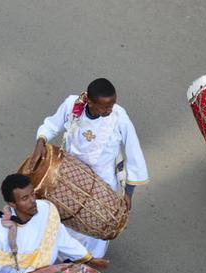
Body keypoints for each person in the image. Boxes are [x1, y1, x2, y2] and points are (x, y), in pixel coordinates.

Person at [28, 78, 149, 258]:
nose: (110, 110)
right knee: (65, 218)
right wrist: (41, 142)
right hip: (68, 175)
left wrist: (129, 192)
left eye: (112, 104)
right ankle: (64, 259)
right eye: (105, 107)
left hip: (103, 182)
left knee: (96, 223)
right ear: (90, 103)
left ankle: (90, 262)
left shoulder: (119, 118)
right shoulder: (71, 104)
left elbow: (134, 154)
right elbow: (52, 124)